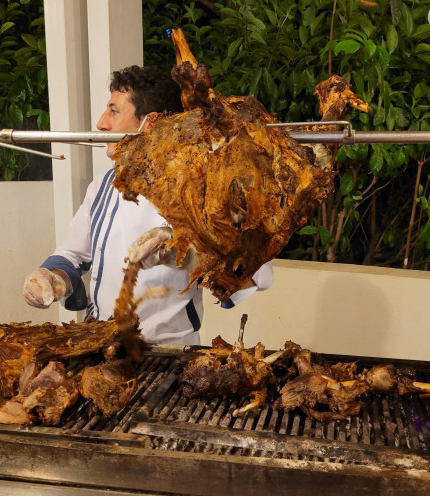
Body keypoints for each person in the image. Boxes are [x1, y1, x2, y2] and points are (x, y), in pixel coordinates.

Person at [23, 66, 273, 345]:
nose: (101, 124)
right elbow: (72, 255)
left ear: (150, 122)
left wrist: (191, 257)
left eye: (114, 111)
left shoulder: (204, 189)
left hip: (169, 353)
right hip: (100, 343)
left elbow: (255, 275)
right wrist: (53, 277)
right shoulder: (103, 186)